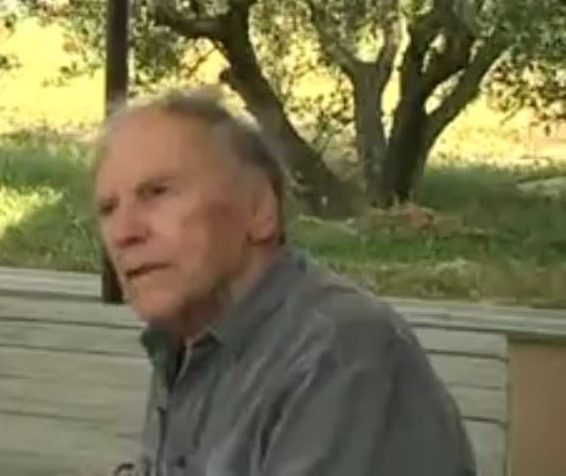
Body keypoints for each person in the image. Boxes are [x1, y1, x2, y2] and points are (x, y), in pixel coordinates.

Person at [92, 88, 477, 476]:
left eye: (157, 193)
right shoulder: (187, 339)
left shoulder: (339, 354)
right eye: (108, 209)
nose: (123, 232)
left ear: (259, 209)